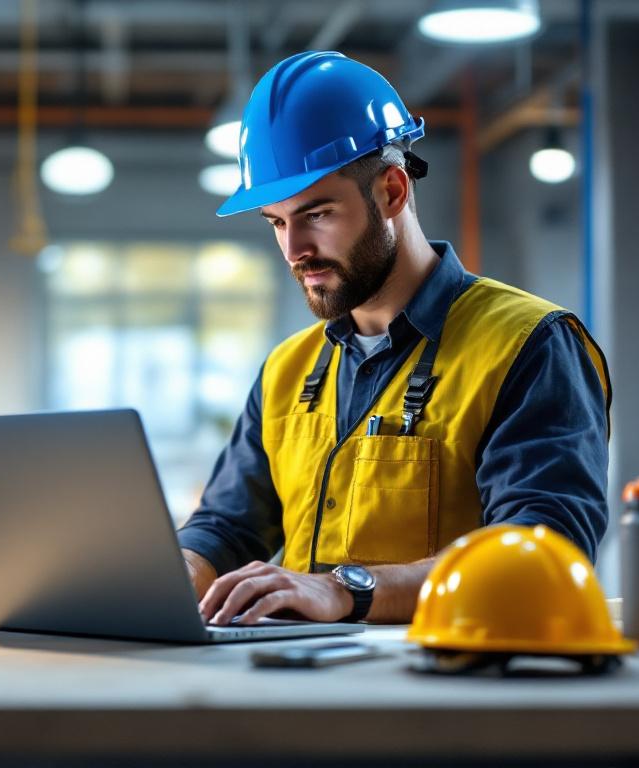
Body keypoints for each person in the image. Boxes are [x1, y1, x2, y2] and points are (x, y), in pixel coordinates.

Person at [178, 51, 611, 626]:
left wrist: (345, 590)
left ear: (391, 191)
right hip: (303, 684)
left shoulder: (529, 344)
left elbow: (541, 550)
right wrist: (171, 573)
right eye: (278, 222)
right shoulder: (288, 369)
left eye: (317, 214)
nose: (294, 250)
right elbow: (227, 525)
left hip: (457, 687)